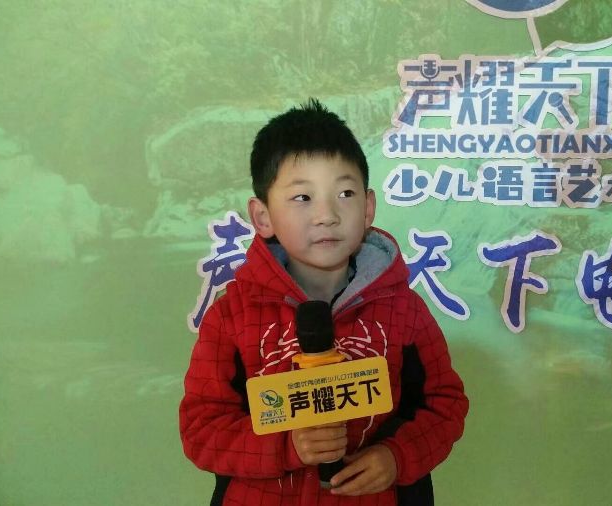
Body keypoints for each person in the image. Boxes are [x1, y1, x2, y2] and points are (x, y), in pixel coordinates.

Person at [179, 99, 468, 506]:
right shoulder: (231, 317)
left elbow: (445, 405)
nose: (327, 215)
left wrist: (397, 457)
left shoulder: (405, 311)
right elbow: (201, 429)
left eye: (345, 193)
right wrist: (285, 447)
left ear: (368, 208)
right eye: (302, 197)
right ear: (262, 217)